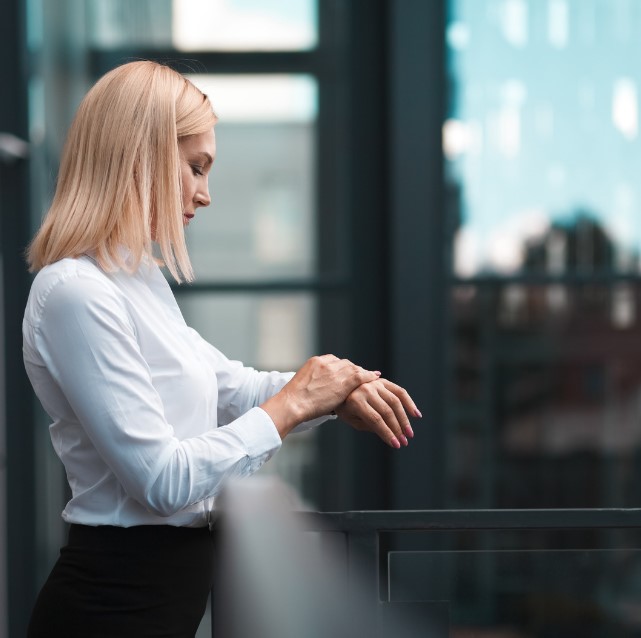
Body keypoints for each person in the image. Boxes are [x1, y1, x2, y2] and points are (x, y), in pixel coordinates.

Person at [22, 60, 421, 638]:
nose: (205, 195)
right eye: (195, 167)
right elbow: (162, 481)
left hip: (152, 606)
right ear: (142, 156)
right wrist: (292, 407)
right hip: (109, 610)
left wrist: (338, 388)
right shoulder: (74, 294)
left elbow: (231, 386)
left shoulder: (135, 282)